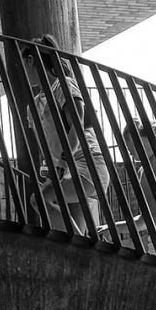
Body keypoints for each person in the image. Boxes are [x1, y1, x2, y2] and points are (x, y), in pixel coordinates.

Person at [28, 34, 111, 237]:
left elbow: (77, 125)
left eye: (23, 64)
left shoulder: (63, 85)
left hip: (87, 162)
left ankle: (80, 250)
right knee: (74, 231)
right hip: (64, 168)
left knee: (40, 199)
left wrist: (62, 163)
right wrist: (50, 168)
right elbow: (45, 145)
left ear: (30, 61)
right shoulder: (34, 105)